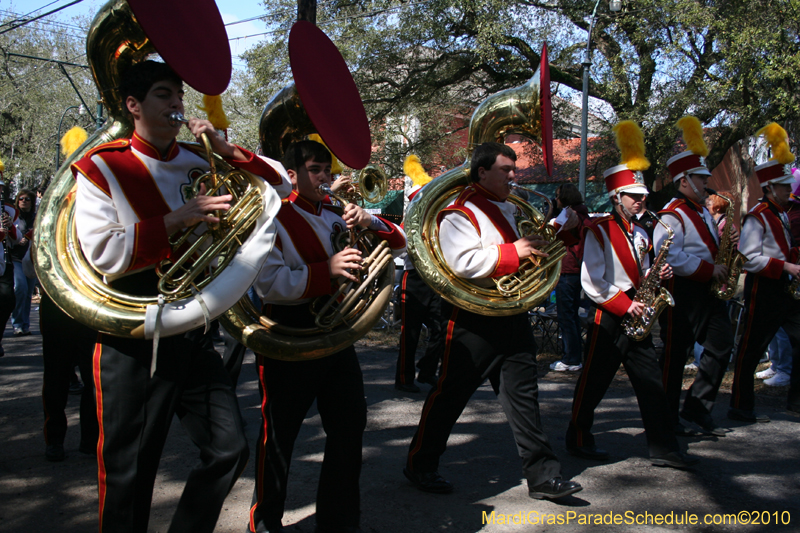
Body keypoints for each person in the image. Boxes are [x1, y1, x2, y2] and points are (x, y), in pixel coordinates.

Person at [71, 60, 291, 533]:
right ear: (133, 105)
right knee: (131, 472)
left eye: (178, 96)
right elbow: (104, 253)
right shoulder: (101, 165)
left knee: (229, 449)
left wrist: (226, 149)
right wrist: (178, 218)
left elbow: (282, 186)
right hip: (135, 332)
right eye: (163, 95)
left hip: (193, 326)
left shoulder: (199, 157)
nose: (176, 104)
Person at [404, 142, 582, 500]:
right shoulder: (460, 211)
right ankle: (420, 463)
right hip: (473, 318)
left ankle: (543, 476)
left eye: (513, 170)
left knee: (524, 397)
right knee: (450, 395)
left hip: (510, 314)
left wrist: (553, 236)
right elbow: (462, 262)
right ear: (482, 171)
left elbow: (526, 251)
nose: (513, 176)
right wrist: (513, 251)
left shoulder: (510, 207)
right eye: (505, 170)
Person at [248, 140, 407, 533]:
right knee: (280, 433)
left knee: (349, 428)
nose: (325, 178)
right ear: (290, 176)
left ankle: (338, 522)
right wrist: (327, 270)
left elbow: (401, 243)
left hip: (337, 335)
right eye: (315, 170)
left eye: (327, 171)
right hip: (290, 332)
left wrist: (369, 221)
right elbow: (268, 284)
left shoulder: (339, 213)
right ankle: (264, 521)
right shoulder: (273, 216)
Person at [566, 120, 697, 469]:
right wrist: (626, 305)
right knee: (594, 381)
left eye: (642, 197)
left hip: (638, 311)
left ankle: (664, 448)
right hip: (609, 314)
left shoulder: (642, 233)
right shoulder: (599, 230)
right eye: (633, 197)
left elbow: (640, 272)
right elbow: (592, 281)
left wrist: (660, 274)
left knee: (651, 382)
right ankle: (578, 437)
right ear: (616, 197)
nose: (641, 202)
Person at [656, 116, 736, 437]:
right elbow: (669, 254)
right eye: (701, 179)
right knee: (674, 359)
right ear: (685, 179)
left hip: (707, 292)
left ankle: (697, 407)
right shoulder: (671, 214)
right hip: (682, 293)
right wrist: (710, 268)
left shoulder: (703, 210)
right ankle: (665, 419)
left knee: (721, 345)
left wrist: (724, 247)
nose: (707, 183)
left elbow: (703, 247)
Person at [729, 123, 800, 421]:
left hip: (786, 288)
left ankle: (795, 403)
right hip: (764, 289)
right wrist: (786, 266)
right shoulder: (758, 217)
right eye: (785, 187)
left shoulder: (781, 213)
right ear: (770, 188)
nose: (790, 191)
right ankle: (741, 406)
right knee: (751, 349)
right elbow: (749, 258)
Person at [395, 155, 444, 392]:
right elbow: (401, 249)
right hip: (414, 278)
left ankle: (427, 370)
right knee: (410, 333)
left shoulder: (439, 220)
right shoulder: (409, 221)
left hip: (434, 281)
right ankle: (403, 379)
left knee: (442, 329)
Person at [549, 183, 590, 372]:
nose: (555, 200)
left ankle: (571, 358)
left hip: (568, 270)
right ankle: (573, 356)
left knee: (567, 316)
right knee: (571, 316)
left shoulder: (571, 215)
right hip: (574, 270)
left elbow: (555, 233)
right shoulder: (582, 214)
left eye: (557, 196)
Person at [0, 164, 21, 357]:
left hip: (3, 261)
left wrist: (9, 228)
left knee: (7, 300)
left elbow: (17, 237)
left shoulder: (8, 210)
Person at [10, 189, 36, 336]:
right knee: (20, 288)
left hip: (31, 259)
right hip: (17, 258)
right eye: (21, 199)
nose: (23, 201)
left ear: (32, 202)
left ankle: (25, 325)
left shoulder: (37, 217)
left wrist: (30, 235)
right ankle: (18, 324)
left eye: (27, 199)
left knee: (27, 293)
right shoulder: (13, 217)